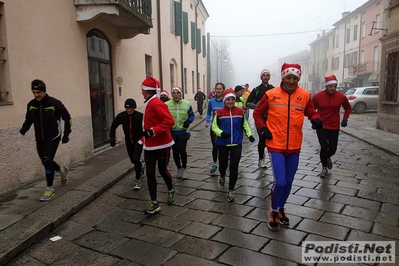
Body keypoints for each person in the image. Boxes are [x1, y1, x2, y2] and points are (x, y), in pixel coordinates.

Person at [253, 63, 322, 232]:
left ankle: (281, 207)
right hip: (275, 144)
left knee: (289, 181)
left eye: (295, 78)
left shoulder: (305, 95)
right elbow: (256, 113)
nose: (291, 81)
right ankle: (274, 211)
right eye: (288, 77)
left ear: (298, 78)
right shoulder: (271, 94)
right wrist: (262, 128)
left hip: (294, 145)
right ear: (283, 77)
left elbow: (311, 111)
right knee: (281, 181)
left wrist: (315, 118)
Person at [19, 79, 72, 201]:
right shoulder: (31, 104)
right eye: (34, 92)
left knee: (47, 160)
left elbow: (67, 118)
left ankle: (49, 188)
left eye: (38, 92)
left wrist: (66, 134)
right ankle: (61, 171)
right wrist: (24, 129)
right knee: (45, 161)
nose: (36, 95)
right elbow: (29, 119)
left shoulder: (55, 103)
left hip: (53, 136)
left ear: (44, 91)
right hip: (40, 139)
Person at [140, 77, 177, 214]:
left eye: (142, 90)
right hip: (149, 146)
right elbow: (146, 124)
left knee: (162, 171)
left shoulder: (156, 103)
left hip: (162, 145)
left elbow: (169, 121)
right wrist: (143, 138)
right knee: (150, 173)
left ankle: (171, 189)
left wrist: (153, 131)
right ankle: (154, 202)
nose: (141, 92)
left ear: (145, 91)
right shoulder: (149, 102)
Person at [212, 88, 255, 202]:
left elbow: (245, 124)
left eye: (232, 99)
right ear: (224, 101)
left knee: (234, 166)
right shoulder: (219, 113)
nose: (230, 101)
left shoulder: (240, 112)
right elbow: (214, 127)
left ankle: (231, 189)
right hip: (223, 143)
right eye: (228, 99)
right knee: (223, 164)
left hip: (237, 143)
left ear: (234, 100)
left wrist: (249, 134)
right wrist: (221, 133)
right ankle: (222, 175)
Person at [312, 75, 351, 178]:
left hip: (334, 125)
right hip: (322, 126)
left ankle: (327, 157)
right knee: (324, 147)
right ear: (326, 86)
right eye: (331, 86)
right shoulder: (317, 97)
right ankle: (324, 167)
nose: (333, 88)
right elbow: (311, 109)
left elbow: (348, 107)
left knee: (333, 148)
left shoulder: (341, 96)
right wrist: (314, 120)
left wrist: (345, 118)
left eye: (335, 86)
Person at [109, 98, 145, 190]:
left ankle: (137, 180)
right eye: (127, 108)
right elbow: (113, 126)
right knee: (133, 160)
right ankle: (141, 166)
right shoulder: (121, 116)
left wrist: (147, 137)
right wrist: (112, 138)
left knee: (136, 159)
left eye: (131, 108)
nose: (129, 110)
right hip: (128, 141)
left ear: (134, 108)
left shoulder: (140, 116)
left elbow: (147, 126)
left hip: (139, 140)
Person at [247, 69, 275, 168]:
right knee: (262, 138)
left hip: (271, 118)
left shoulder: (274, 89)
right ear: (261, 77)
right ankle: (261, 159)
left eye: (267, 75)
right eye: (264, 75)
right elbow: (248, 103)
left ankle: (273, 159)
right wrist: (258, 107)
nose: (266, 77)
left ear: (269, 77)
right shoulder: (256, 89)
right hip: (260, 118)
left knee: (271, 138)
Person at [166, 86, 195, 179]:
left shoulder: (187, 104)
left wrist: (189, 121)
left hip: (183, 132)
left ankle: (184, 168)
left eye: (178, 93)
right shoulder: (167, 104)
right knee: (175, 151)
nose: (176, 95)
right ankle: (178, 168)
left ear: (181, 94)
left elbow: (191, 115)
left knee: (182, 150)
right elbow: (163, 116)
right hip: (172, 132)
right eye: (174, 93)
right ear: (172, 95)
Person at [205, 82, 225, 175]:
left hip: (225, 127)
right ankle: (214, 163)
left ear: (223, 90)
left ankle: (223, 164)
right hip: (214, 127)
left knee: (223, 147)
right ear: (215, 90)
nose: (218, 90)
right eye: (217, 89)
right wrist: (207, 121)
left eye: (220, 89)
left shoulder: (226, 101)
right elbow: (209, 113)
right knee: (215, 146)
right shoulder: (211, 101)